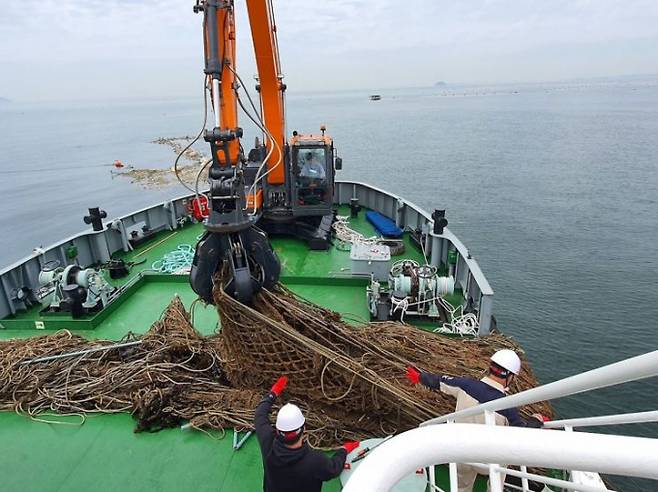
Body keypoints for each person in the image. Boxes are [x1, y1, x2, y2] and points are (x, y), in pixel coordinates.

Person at [405, 349, 547, 492]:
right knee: (502, 462)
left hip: (462, 453)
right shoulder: (507, 406)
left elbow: (438, 381)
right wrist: (536, 420)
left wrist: (419, 377)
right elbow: (523, 433)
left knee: (461, 487)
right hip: (487, 462)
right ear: (509, 376)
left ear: (491, 367)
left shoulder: (465, 385)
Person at [255, 376, 360, 492]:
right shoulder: (315, 461)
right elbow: (333, 469)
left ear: (279, 431)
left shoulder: (268, 443)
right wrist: (343, 451)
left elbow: (259, 415)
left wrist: (272, 394)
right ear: (303, 429)